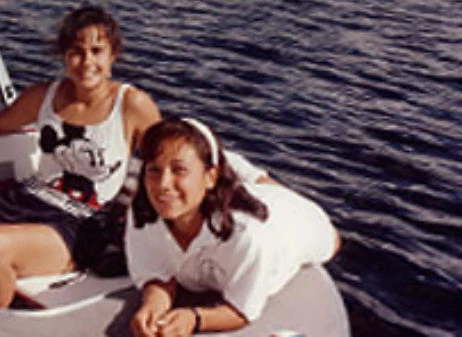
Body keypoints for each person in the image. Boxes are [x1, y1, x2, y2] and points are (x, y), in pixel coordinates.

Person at [0, 5, 161, 307]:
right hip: (24, 201)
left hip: (82, 220)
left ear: (113, 55)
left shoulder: (132, 104)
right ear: (65, 56)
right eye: (77, 52)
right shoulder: (45, 95)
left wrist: (141, 220)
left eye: (97, 51)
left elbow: (162, 159)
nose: (87, 62)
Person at [125, 117, 341, 336]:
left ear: (210, 177)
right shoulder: (145, 211)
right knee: (234, 186)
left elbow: (243, 312)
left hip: (294, 218)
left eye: (179, 170)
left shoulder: (249, 236)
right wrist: (152, 307)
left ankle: (252, 181)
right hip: (226, 192)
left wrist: (195, 318)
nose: (162, 185)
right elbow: (159, 276)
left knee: (331, 239)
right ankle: (229, 171)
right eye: (154, 169)